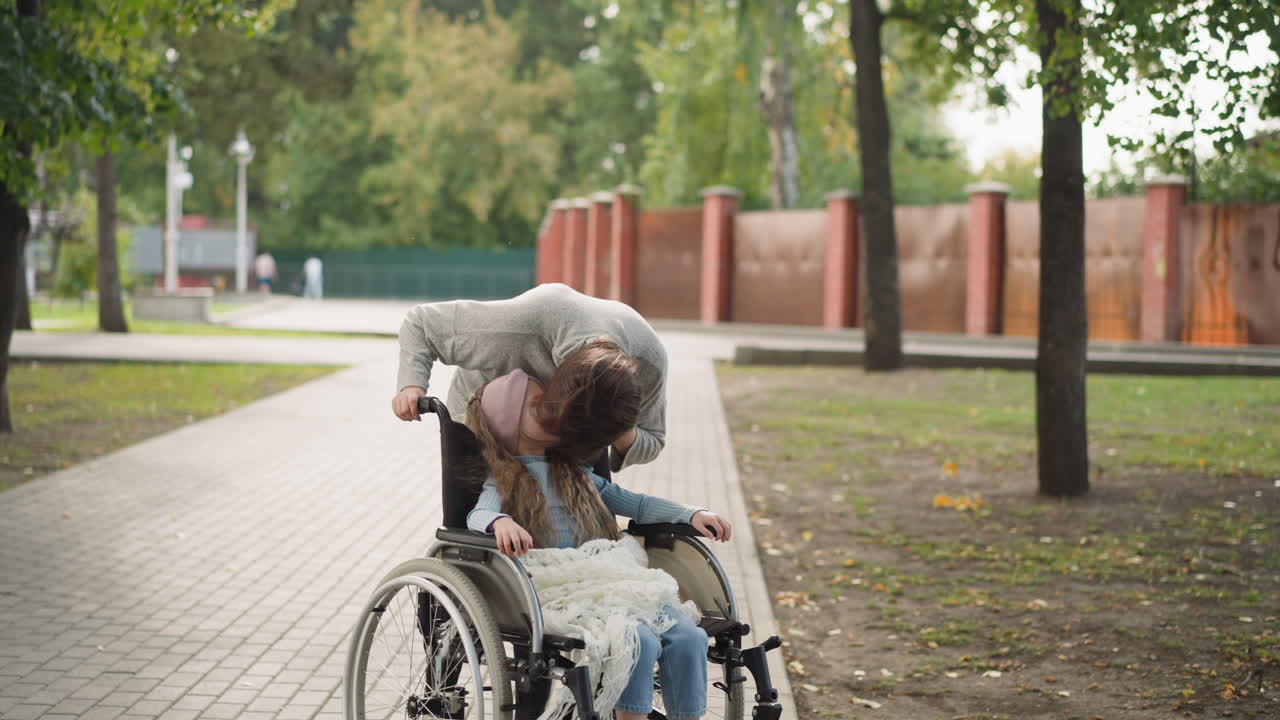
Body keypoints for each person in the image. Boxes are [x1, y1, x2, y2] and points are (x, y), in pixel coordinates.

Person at [464, 353, 731, 720]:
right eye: (540, 406)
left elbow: (633, 503)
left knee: (689, 637)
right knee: (636, 639)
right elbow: (478, 513)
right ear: (509, 421)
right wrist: (499, 522)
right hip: (558, 580)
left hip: (610, 570)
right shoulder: (506, 478)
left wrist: (690, 513)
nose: (555, 412)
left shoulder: (575, 474)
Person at [391, 283, 668, 474]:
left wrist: (619, 427)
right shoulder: (517, 328)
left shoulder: (650, 362)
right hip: (482, 419)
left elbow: (653, 440)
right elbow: (421, 324)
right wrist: (412, 386)